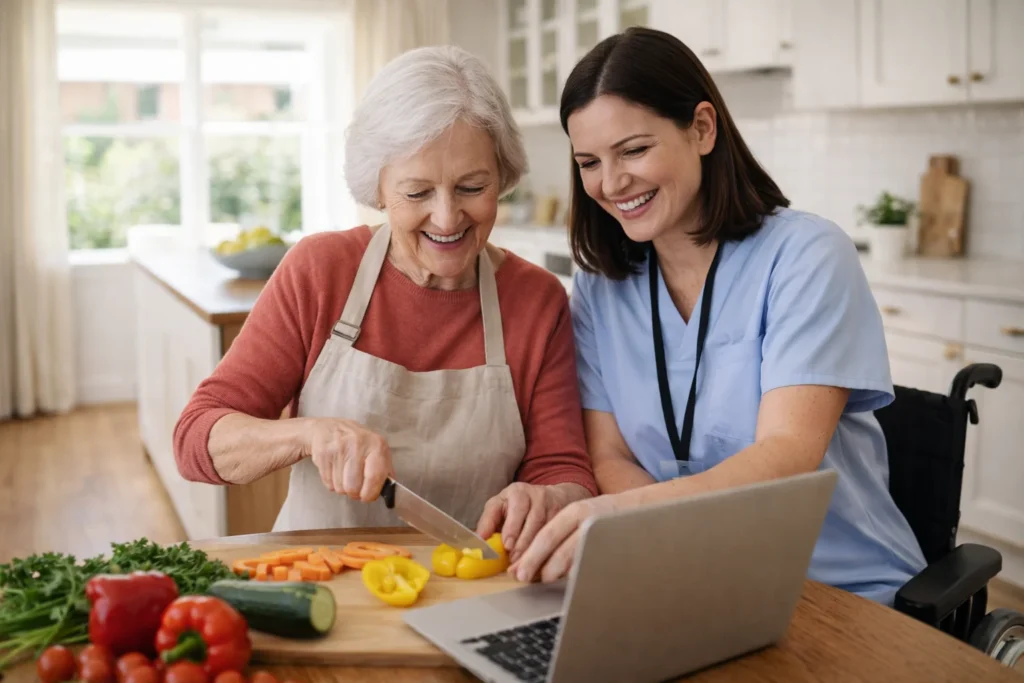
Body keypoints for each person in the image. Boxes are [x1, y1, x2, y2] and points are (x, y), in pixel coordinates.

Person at [508, 27, 927, 606]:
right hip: (689, 581)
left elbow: (787, 456)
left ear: (702, 129)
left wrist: (616, 515)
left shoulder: (806, 256)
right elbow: (608, 455)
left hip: (838, 592)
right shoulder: (602, 287)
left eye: (633, 150)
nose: (610, 183)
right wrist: (669, 548)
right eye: (588, 162)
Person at [172, 45, 597, 560]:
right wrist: (307, 435)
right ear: (377, 188)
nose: (446, 218)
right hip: (322, 581)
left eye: (471, 186)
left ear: (502, 177)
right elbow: (197, 439)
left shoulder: (537, 300)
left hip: (475, 588)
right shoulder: (320, 271)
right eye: (417, 193)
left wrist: (547, 496)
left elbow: (564, 469)